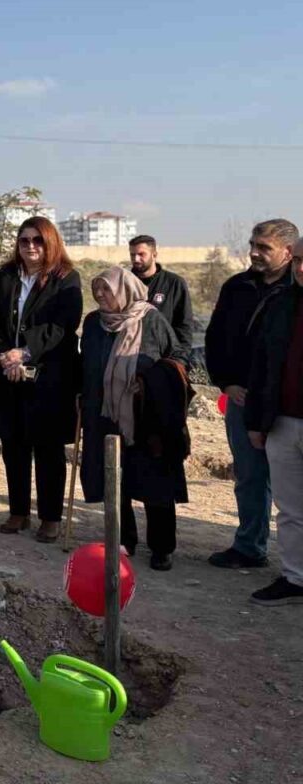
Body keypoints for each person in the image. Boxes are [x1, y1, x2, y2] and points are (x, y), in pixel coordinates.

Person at [0, 216, 83, 543]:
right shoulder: (6, 276)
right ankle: (19, 511)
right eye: (24, 240)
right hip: (7, 375)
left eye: (37, 240)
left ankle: (50, 517)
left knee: (48, 450)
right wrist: (4, 356)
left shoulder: (66, 278)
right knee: (14, 446)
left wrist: (23, 353)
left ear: (50, 242)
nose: (30, 246)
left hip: (48, 380)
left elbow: (62, 326)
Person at [80, 266, 187, 571]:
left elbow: (178, 357)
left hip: (145, 416)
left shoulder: (150, 319)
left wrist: (149, 380)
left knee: (154, 481)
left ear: (125, 290)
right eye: (97, 289)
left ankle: (162, 547)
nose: (100, 294)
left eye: (107, 289)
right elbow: (85, 361)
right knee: (114, 481)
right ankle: (123, 539)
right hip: (103, 413)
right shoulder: (93, 323)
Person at [205, 219, 298, 569]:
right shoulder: (237, 287)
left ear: (288, 252)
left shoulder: (296, 291)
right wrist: (226, 383)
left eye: (264, 247)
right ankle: (250, 546)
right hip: (243, 399)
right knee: (250, 476)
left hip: (289, 405)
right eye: (253, 245)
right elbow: (215, 339)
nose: (255, 253)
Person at [246, 238, 303, 604]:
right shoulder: (282, 304)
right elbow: (263, 365)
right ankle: (296, 577)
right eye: (297, 260)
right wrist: (257, 421)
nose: (301, 268)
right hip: (283, 422)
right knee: (291, 509)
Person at [129, 235, 194, 363]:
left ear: (154, 254)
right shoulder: (124, 283)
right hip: (128, 357)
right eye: (132, 255)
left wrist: (181, 360)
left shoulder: (174, 283)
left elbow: (184, 325)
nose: (136, 259)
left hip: (162, 359)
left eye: (141, 254)